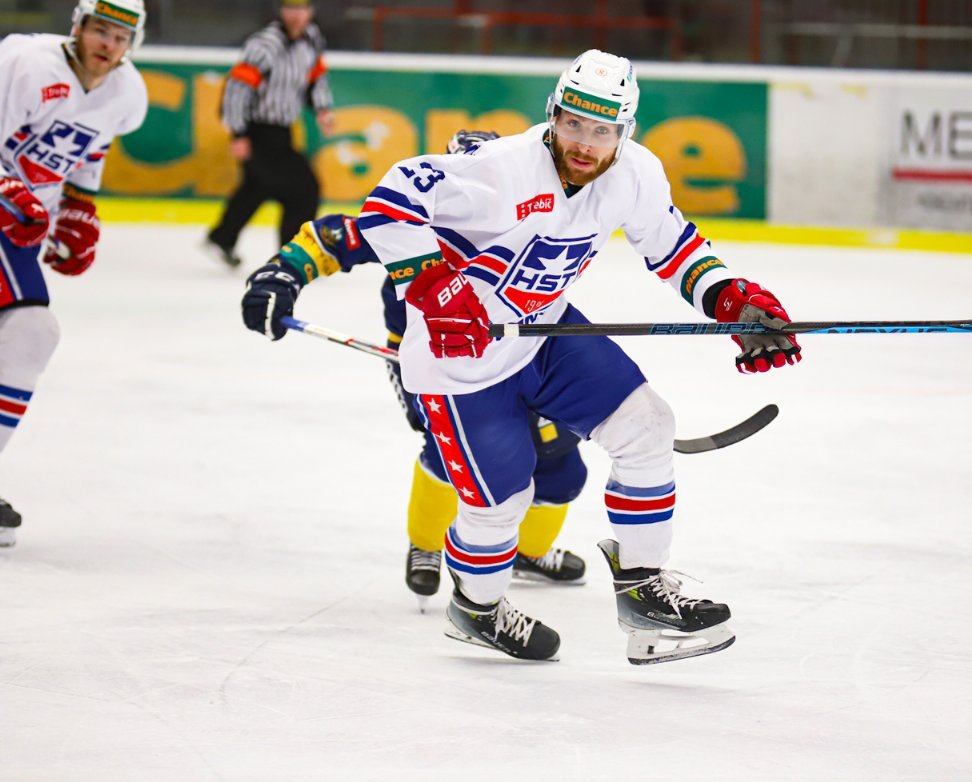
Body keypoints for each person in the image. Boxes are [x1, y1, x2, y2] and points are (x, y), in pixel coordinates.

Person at [245, 50, 800, 664]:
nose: (584, 143)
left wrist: (731, 300)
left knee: (647, 425)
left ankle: (643, 590)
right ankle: (476, 609)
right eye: (573, 123)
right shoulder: (501, 168)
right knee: (499, 504)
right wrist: (432, 285)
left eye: (602, 130)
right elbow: (388, 202)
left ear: (625, 131)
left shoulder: (636, 174)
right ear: (553, 114)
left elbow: (675, 247)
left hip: (547, 333)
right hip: (460, 366)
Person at [241, 131, 589, 609]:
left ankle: (527, 552)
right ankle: (427, 544)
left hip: (521, 356)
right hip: (433, 363)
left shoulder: (531, 215)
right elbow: (330, 239)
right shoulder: (414, 222)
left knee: (559, 460)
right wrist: (281, 275)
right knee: (452, 452)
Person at [0, 0, 148, 548]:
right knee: (30, 331)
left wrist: (80, 207)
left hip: (18, 227)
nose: (108, 44)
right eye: (100, 30)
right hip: (9, 217)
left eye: (121, 36)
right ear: (78, 25)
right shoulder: (25, 65)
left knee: (28, 335)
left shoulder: (125, 93)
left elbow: (91, 146)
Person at [204, 0, 334, 269]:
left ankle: (222, 237)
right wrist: (238, 133)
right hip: (257, 130)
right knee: (304, 189)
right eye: (290, 7)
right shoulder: (264, 44)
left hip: (283, 131)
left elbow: (315, 78)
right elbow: (237, 89)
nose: (296, 14)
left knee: (258, 186)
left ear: (311, 10)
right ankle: (291, 256)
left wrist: (322, 108)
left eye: (302, 8)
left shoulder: (312, 39)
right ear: (280, 9)